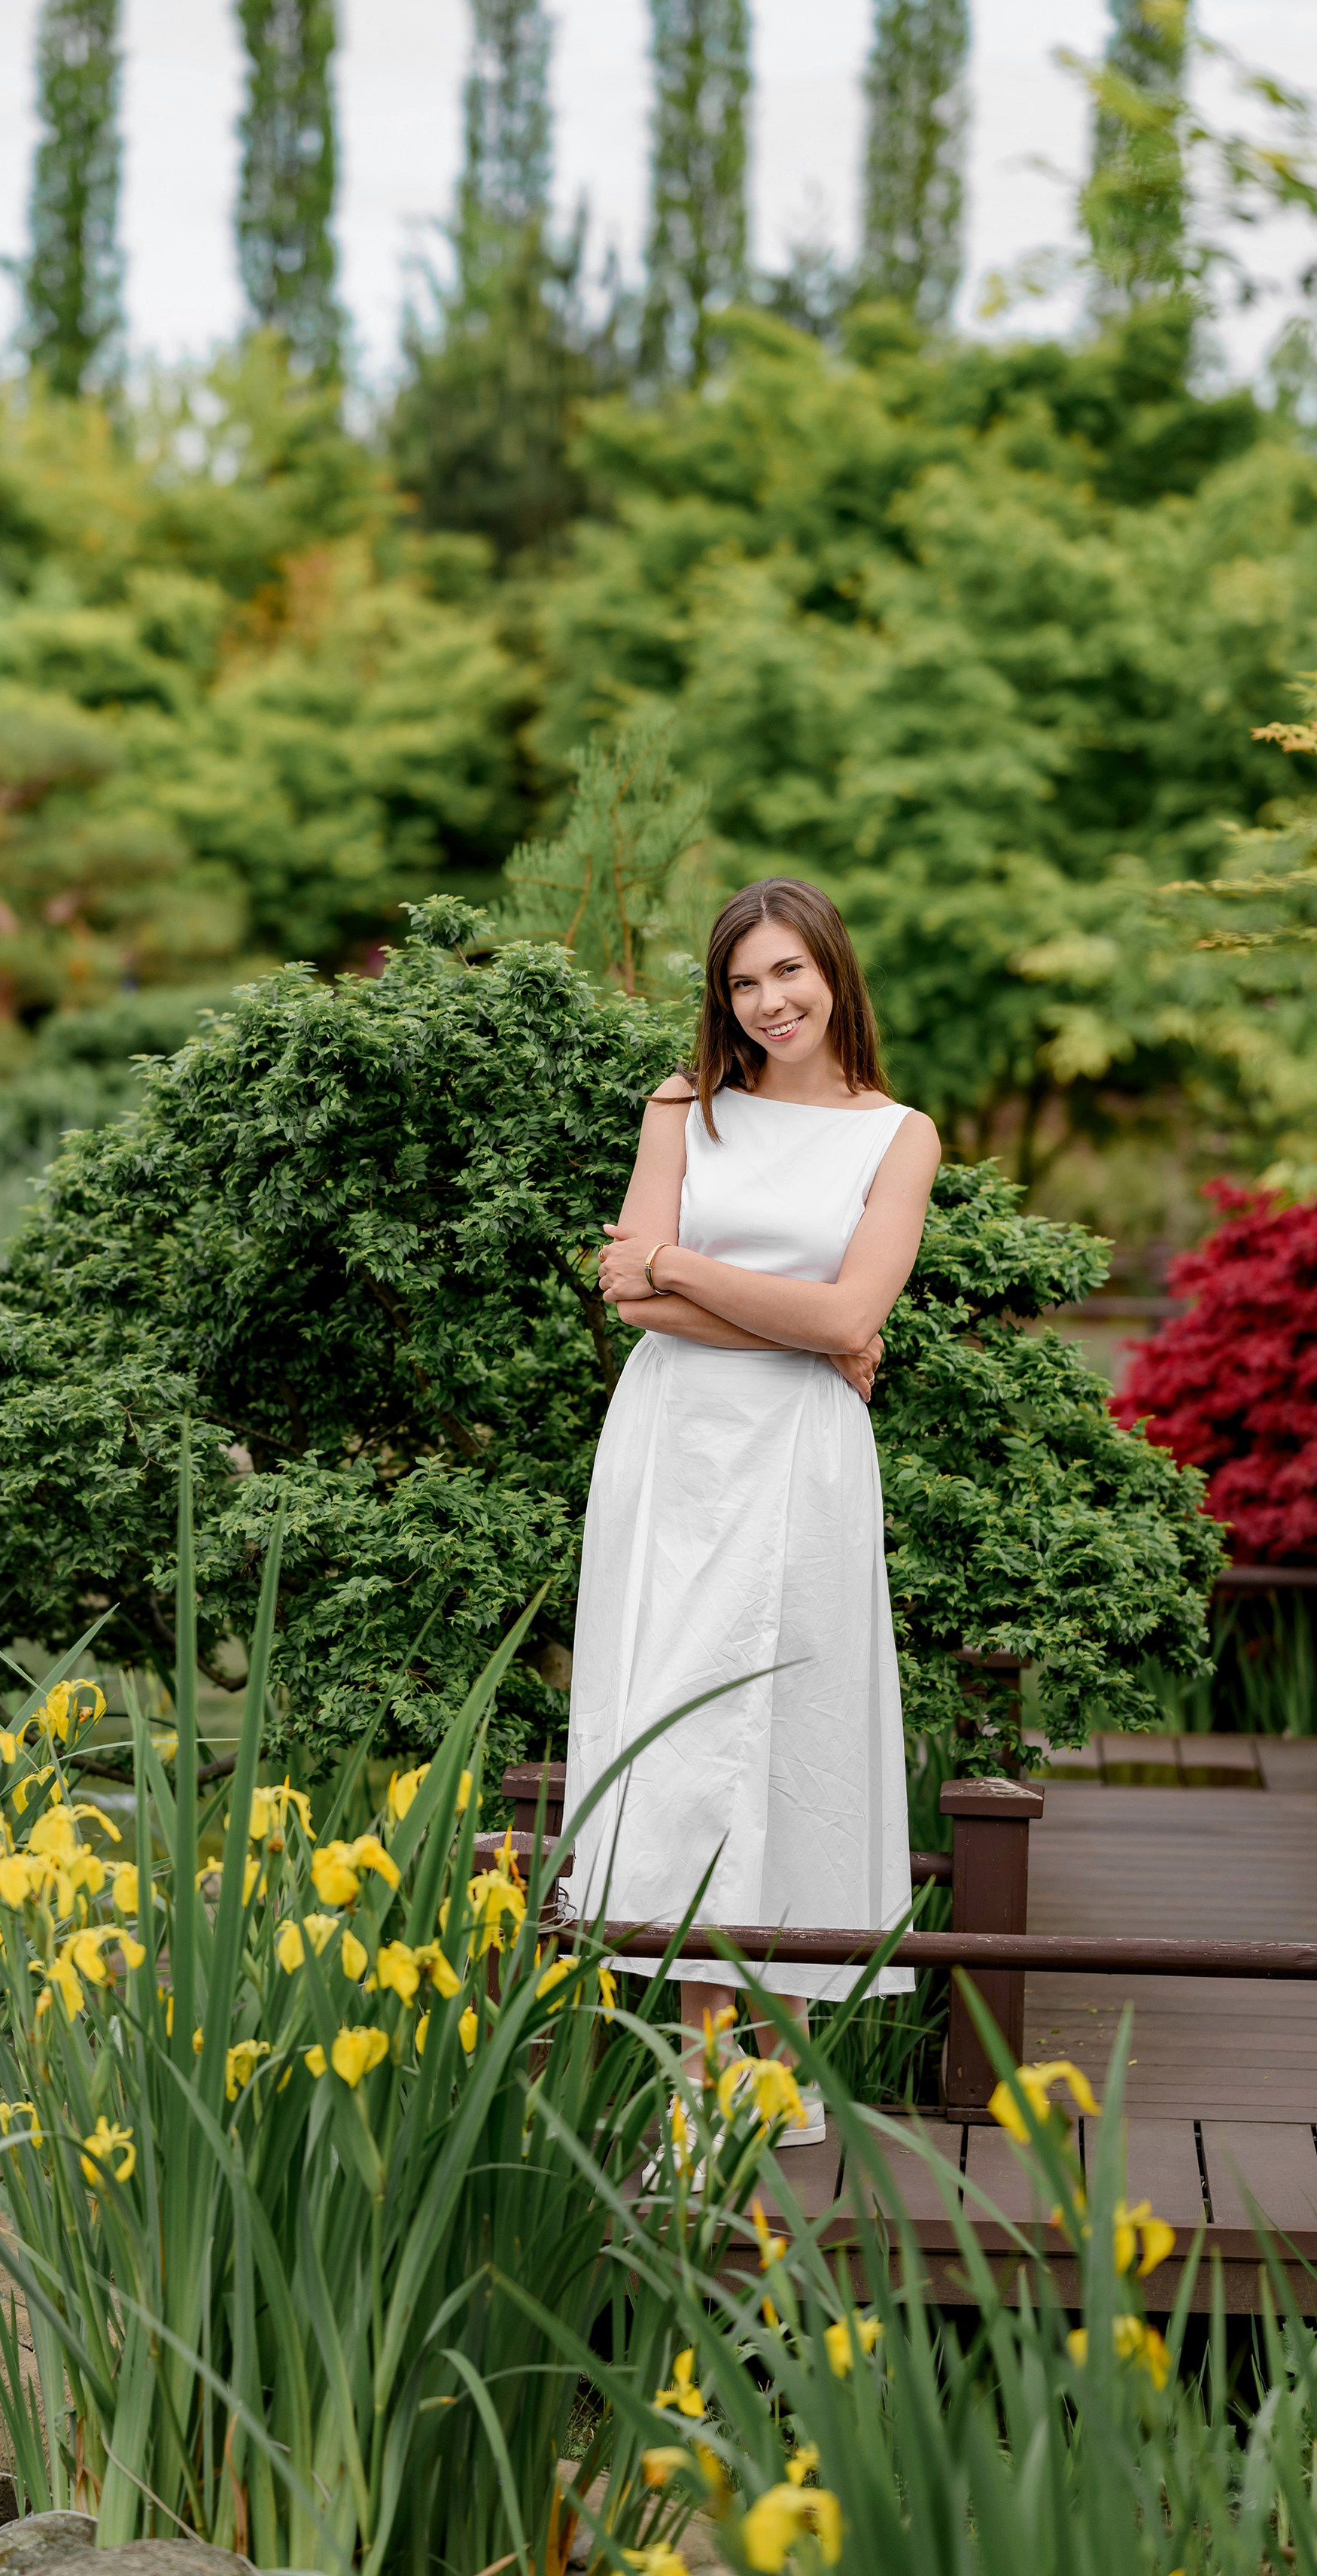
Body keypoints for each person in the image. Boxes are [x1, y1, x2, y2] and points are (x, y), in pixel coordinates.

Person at [560, 877, 941, 2145]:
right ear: (722, 999)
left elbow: (847, 1319)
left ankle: (777, 2093)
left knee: (791, 1730)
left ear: (834, 972)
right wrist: (756, 1305)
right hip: (674, 1448)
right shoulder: (686, 1110)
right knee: (676, 1736)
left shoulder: (899, 1135)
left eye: (791, 973)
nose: (771, 1002)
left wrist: (678, 1262)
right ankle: (701, 2087)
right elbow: (634, 1304)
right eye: (744, 982)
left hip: (802, 1460)